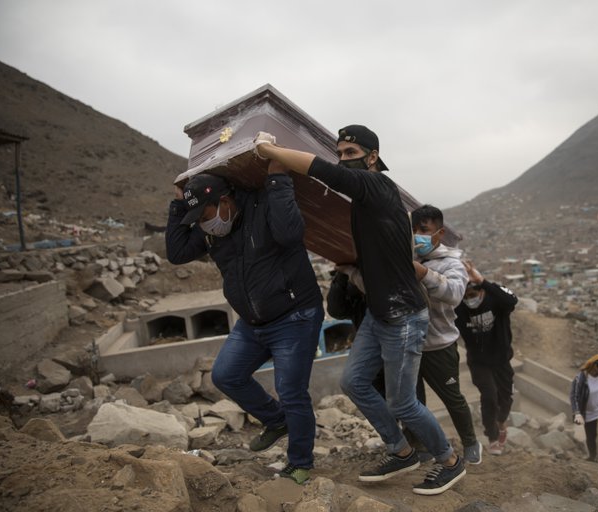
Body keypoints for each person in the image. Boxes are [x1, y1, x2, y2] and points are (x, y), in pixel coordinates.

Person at [254, 125, 465, 496]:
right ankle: (401, 451)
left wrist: (271, 151)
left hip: (403, 317)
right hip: (380, 314)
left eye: (351, 153)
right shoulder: (365, 200)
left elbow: (321, 170)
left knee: (403, 402)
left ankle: (449, 460)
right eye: (341, 153)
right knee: (353, 382)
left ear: (372, 158)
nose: (344, 160)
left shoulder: (377, 186)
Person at [165, 163, 324, 485]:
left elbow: (292, 234)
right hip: (252, 323)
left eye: (206, 215)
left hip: (295, 316)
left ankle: (301, 462)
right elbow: (177, 252)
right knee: (226, 375)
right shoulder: (212, 230)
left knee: (291, 390)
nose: (205, 225)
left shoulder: (263, 205)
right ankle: (277, 421)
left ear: (225, 201)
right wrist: (179, 203)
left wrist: (278, 180)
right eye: (199, 221)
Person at [411, 204, 482, 464]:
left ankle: (470, 442)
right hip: (409, 345)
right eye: (414, 230)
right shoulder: (409, 258)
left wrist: (425, 274)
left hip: (439, 345)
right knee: (412, 400)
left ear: (439, 233)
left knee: (452, 398)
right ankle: (420, 445)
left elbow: (453, 294)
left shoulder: (451, 263)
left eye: (424, 230)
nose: (417, 235)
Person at [454, 261, 519, 456]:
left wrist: (482, 281)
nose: (469, 299)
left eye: (473, 295)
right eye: (465, 296)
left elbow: (512, 301)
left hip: (501, 359)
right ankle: (492, 437)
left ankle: (500, 422)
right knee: (489, 395)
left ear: (481, 291)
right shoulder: (460, 309)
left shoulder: (495, 300)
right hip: (478, 361)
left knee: (505, 398)